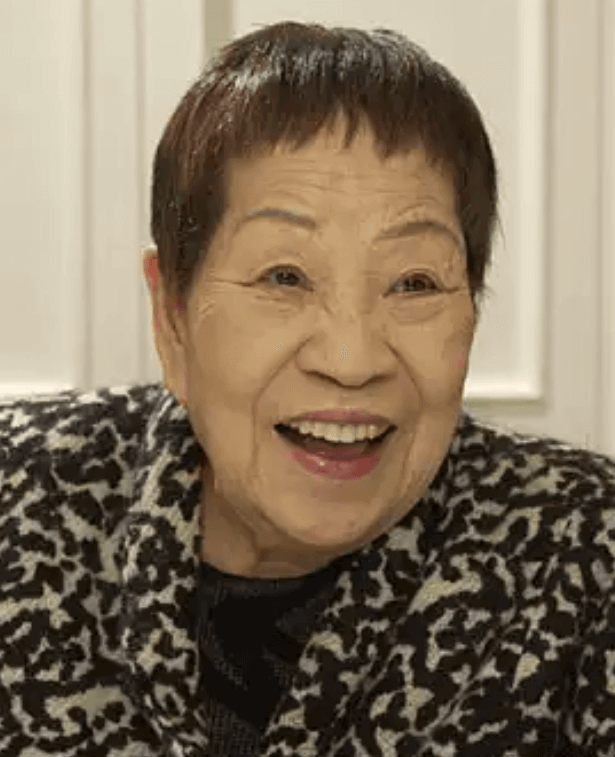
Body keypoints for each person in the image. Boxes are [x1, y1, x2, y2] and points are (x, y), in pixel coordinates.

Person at [1, 20, 614, 757]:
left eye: (415, 282)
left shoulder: (584, 550)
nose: (351, 360)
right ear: (171, 316)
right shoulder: (19, 501)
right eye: (284, 277)